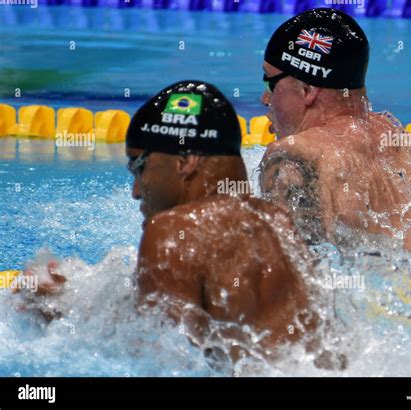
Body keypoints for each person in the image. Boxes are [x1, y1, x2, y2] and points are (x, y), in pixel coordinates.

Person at [16, 81, 342, 368]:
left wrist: (58, 310)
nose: (135, 191)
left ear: (186, 161)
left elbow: (156, 357)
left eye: (139, 167)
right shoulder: (274, 220)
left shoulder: (175, 231)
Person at [259, 8, 411, 275]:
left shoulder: (294, 154)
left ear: (307, 90)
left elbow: (280, 277)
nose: (265, 98)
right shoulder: (394, 136)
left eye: (270, 82)